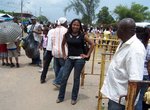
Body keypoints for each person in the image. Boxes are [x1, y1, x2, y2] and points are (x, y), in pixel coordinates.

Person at [101, 18, 146, 110]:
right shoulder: (124, 42)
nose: (116, 31)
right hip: (115, 93)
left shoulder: (135, 49)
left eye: (118, 28)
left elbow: (136, 81)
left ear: (125, 31)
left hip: (122, 99)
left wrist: (130, 104)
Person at [56, 18, 94, 105]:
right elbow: (62, 45)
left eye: (77, 25)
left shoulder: (82, 35)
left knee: (76, 79)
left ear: (79, 26)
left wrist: (87, 55)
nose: (75, 26)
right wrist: (64, 55)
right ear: (71, 25)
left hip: (79, 60)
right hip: (69, 59)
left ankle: (74, 98)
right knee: (64, 77)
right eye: (74, 24)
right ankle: (60, 97)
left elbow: (92, 44)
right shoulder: (67, 35)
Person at [135, 26, 150, 110]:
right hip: (145, 75)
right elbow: (149, 65)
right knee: (140, 99)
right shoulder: (148, 47)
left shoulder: (136, 45)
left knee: (132, 98)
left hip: (135, 75)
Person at [51, 17, 68, 88]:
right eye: (66, 22)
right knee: (64, 66)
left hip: (55, 51)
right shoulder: (66, 30)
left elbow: (52, 40)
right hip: (63, 51)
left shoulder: (54, 30)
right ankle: (57, 81)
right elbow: (67, 42)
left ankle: (58, 81)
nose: (67, 23)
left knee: (57, 67)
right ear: (64, 22)